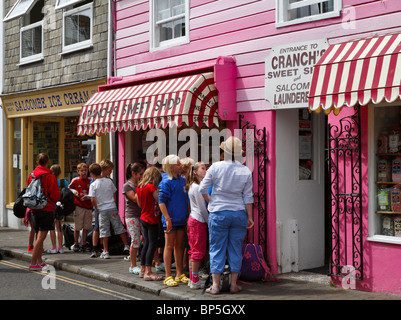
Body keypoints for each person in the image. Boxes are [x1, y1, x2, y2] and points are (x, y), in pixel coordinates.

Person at [199, 136, 254, 294]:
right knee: (235, 248)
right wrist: (250, 217)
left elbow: (202, 189)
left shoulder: (215, 167)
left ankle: (215, 286)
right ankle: (234, 285)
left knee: (217, 248)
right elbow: (248, 197)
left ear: (224, 151)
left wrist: (211, 202)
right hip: (238, 214)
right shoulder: (245, 170)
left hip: (219, 213)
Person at [158, 155, 190, 287]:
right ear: (171, 167)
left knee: (179, 246)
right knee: (169, 246)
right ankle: (167, 275)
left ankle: (178, 274)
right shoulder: (166, 182)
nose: (180, 166)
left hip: (181, 218)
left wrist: (187, 215)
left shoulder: (182, 180)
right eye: (178, 164)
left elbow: (185, 200)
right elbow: (161, 202)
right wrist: (167, 218)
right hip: (170, 220)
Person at [88, 162, 130, 259]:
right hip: (112, 208)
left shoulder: (93, 185)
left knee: (104, 230)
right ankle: (126, 245)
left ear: (92, 174)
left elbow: (92, 199)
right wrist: (113, 203)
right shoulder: (109, 181)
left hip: (102, 210)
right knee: (119, 227)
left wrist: (96, 207)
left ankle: (106, 251)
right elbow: (114, 193)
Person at [28, 153, 60, 271]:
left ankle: (39, 261)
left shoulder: (31, 175)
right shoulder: (50, 176)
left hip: (34, 209)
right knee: (41, 236)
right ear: (47, 162)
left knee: (38, 235)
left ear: (37, 162)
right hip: (47, 208)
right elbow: (56, 195)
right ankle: (33, 263)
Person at [136, 166, 163, 281]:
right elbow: (159, 201)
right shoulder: (151, 187)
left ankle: (142, 270)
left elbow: (139, 204)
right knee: (152, 245)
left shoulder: (140, 186)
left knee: (146, 244)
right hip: (152, 218)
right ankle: (148, 272)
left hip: (143, 217)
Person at [186, 161, 209, 289]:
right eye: (202, 168)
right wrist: (208, 221)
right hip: (198, 221)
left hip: (193, 220)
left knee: (193, 251)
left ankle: (192, 278)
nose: (205, 170)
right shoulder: (197, 187)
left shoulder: (194, 186)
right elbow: (202, 208)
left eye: (205, 168)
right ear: (195, 172)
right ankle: (194, 280)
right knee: (197, 252)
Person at [123, 162, 146, 274]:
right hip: (132, 215)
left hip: (143, 214)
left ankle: (155, 262)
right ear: (133, 173)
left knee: (148, 239)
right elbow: (135, 198)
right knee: (135, 240)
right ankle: (132, 265)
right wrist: (141, 186)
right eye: (140, 174)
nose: (142, 176)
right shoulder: (127, 186)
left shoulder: (140, 184)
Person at [69, 163, 93, 252]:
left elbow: (94, 192)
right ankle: (76, 243)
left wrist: (88, 196)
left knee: (86, 226)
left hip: (88, 206)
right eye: (82, 170)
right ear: (78, 171)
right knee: (77, 226)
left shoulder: (91, 180)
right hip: (79, 206)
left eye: (85, 170)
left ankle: (83, 243)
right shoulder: (75, 180)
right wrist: (74, 191)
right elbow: (69, 189)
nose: (84, 172)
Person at [46, 164, 67, 254]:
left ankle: (54, 247)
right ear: (60, 172)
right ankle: (60, 247)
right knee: (59, 227)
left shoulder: (49, 181)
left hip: (51, 206)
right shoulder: (63, 182)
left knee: (52, 228)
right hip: (60, 207)